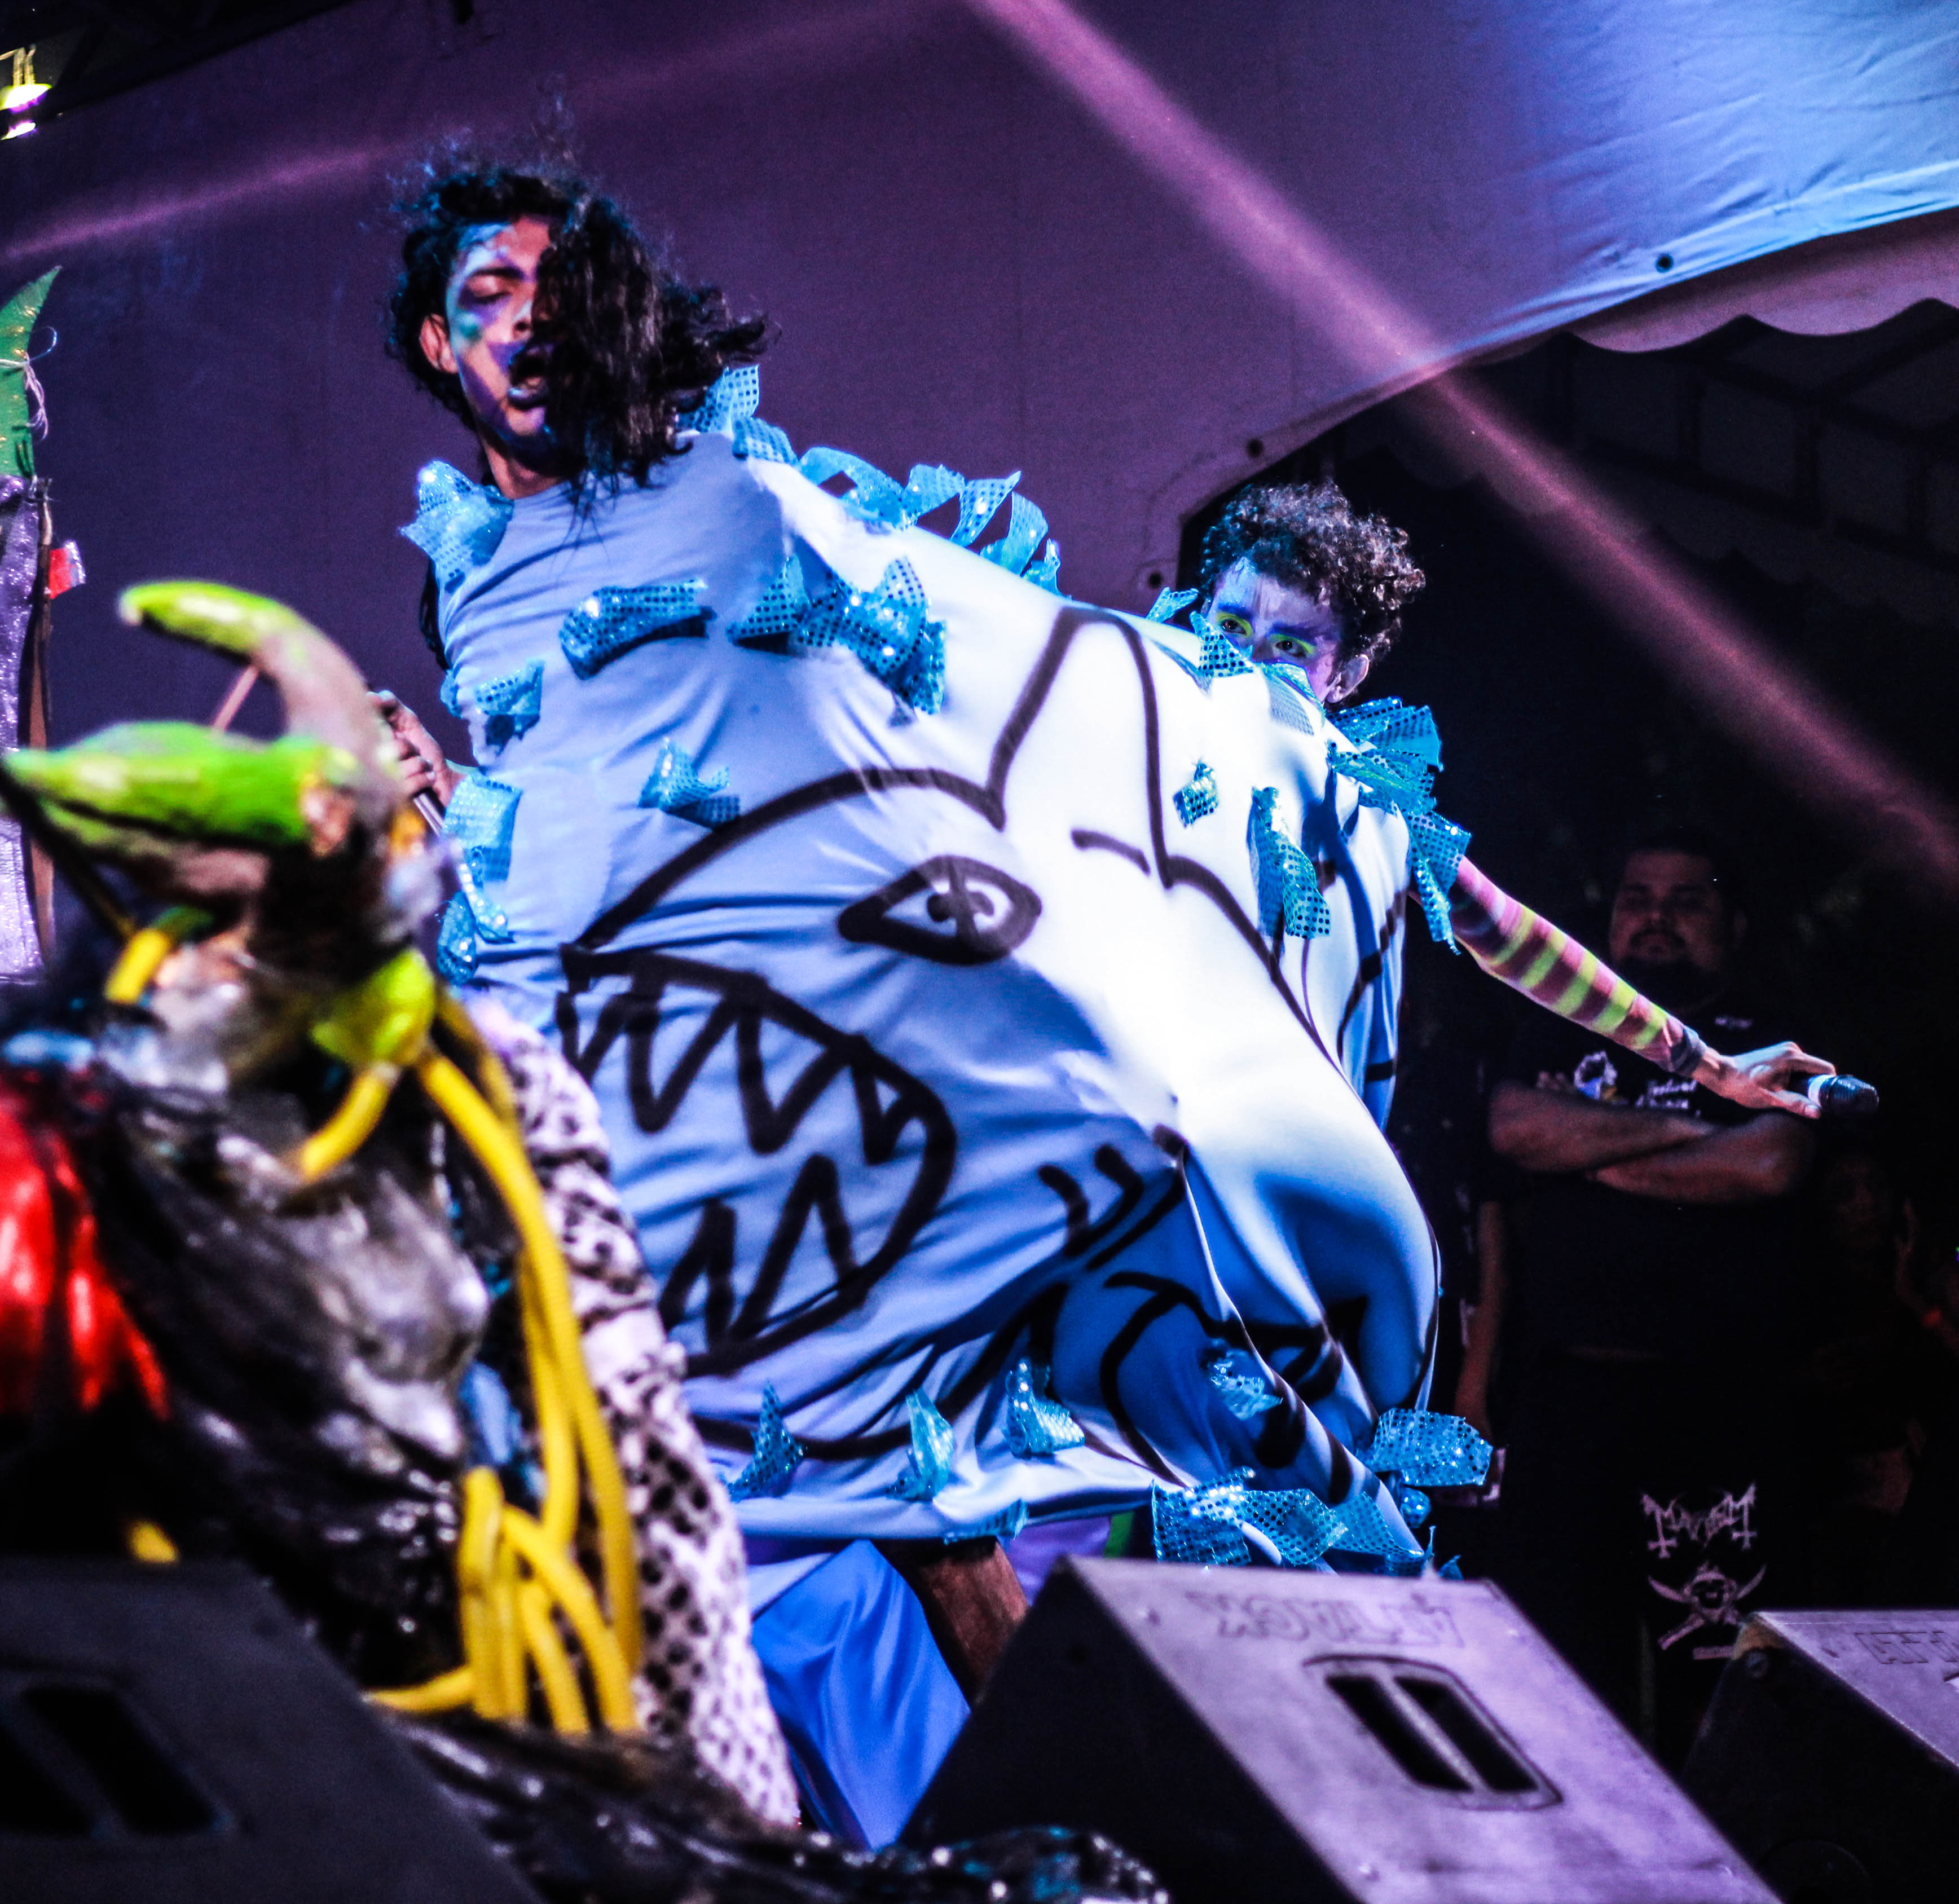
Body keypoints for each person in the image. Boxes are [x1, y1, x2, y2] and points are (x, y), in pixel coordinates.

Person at [375, 154, 1827, 1836]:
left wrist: (1690, 1056)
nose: (1253, 664)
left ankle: (1209, 1820)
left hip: (1168, 1209)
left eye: (1293, 648)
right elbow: (640, 789)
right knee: (845, 1508)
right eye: (1232, 626)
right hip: (786, 1117)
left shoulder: (1316, 776)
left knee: (1103, 1536)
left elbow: (1497, 930)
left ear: (1350, 671)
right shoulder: (501, 573)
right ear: (438, 339)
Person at [1477, 828, 1822, 1761]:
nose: (1656, 917)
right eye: (1637, 898)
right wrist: (1696, 1130)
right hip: (1567, 1398)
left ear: (1733, 923)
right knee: (1551, 1668)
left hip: (1718, 1404)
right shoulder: (1554, 1025)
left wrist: (1588, 1155)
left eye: (1686, 898)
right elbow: (1513, 1129)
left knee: (1719, 1685)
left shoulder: (1766, 1034)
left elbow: (1768, 1161)